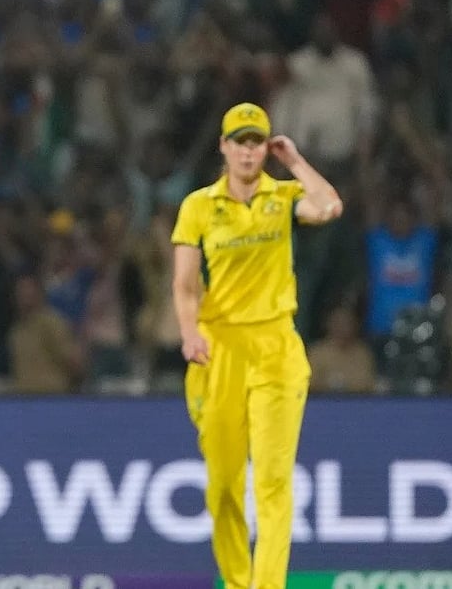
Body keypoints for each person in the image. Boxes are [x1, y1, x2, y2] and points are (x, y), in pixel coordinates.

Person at [171, 103, 342, 589]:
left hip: (275, 346)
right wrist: (189, 331)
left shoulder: (284, 196)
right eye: (239, 142)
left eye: (256, 142)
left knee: (272, 482)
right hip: (219, 348)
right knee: (224, 485)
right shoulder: (199, 206)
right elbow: (185, 284)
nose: (247, 152)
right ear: (223, 147)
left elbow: (329, 206)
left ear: (265, 148)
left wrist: (294, 162)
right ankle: (238, 583)